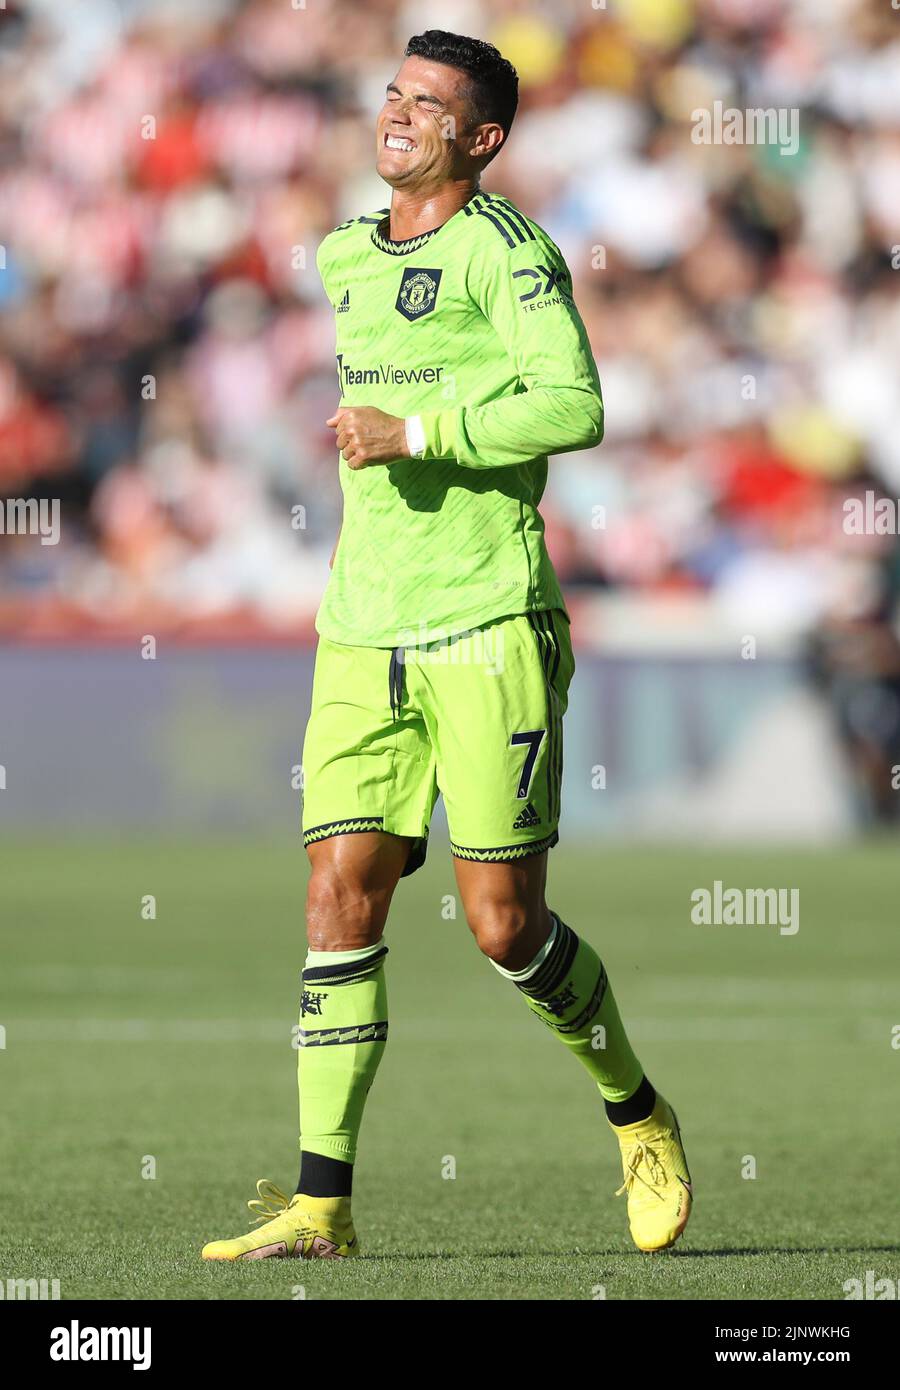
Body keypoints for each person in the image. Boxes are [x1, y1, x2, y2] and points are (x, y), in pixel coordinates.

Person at [202, 29, 691, 1263]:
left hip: (486, 619)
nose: (400, 115)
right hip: (363, 623)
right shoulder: (345, 253)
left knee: (502, 925)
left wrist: (414, 426)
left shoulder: (507, 249)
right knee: (336, 893)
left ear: (483, 140)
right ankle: (323, 1203)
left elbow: (574, 402)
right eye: (393, 94)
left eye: (432, 104)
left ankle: (636, 1111)